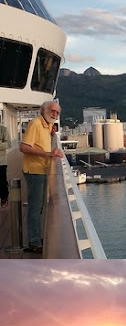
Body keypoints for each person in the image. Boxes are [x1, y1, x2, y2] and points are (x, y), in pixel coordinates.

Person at [19, 100, 64, 253]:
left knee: (40, 207)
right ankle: (34, 243)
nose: (55, 114)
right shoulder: (35, 124)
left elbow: (45, 141)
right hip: (35, 171)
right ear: (44, 110)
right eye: (53, 111)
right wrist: (48, 154)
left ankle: (36, 237)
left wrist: (52, 134)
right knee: (35, 208)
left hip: (43, 170)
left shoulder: (47, 125)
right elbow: (23, 147)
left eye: (57, 113)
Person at [0, 117, 10, 208]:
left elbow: (9, 144)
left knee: (2, 181)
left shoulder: (3, 130)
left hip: (1, 161)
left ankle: (4, 198)